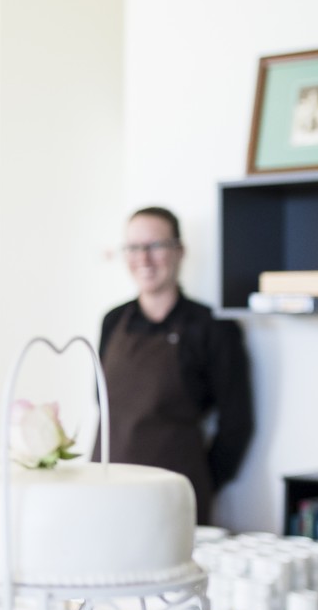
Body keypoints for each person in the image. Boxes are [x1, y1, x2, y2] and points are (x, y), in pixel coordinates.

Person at [99, 206, 253, 524]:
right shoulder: (113, 321)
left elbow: (237, 424)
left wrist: (200, 485)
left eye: (155, 245)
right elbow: (99, 399)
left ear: (179, 251)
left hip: (175, 495)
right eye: (133, 247)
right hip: (107, 490)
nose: (144, 258)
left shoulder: (214, 327)